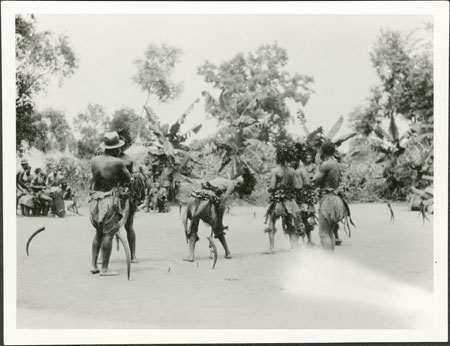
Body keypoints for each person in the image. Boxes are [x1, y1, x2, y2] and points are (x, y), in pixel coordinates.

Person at [183, 166, 256, 262]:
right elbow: (221, 204)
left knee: (193, 226)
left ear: (239, 185)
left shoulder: (229, 184)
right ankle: (227, 252)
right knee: (217, 228)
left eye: (239, 182)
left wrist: (218, 220)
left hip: (197, 199)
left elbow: (220, 202)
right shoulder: (230, 184)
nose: (236, 182)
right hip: (203, 201)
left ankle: (191, 255)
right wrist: (219, 221)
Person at [89, 131, 131, 276]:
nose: (120, 150)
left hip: (95, 200)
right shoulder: (117, 162)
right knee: (108, 234)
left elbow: (95, 179)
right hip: (108, 200)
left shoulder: (94, 160)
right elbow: (128, 179)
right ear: (114, 148)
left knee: (98, 233)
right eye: (118, 147)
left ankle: (94, 265)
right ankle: (105, 269)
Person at [311, 141, 354, 252]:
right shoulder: (336, 163)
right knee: (330, 232)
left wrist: (317, 165)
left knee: (323, 233)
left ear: (322, 151)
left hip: (328, 200)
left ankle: (327, 262)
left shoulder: (326, 164)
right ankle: (330, 260)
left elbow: (314, 181)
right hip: (335, 199)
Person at [264, 145, 304, 253]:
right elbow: (297, 187)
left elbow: (272, 187)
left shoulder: (275, 170)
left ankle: (272, 247)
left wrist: (270, 189)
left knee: (272, 221)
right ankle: (293, 246)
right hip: (290, 202)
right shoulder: (292, 171)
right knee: (289, 222)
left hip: (279, 202)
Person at [117, 129, 139, 264]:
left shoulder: (128, 160)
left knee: (129, 225)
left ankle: (133, 255)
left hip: (126, 195)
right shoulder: (107, 158)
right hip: (110, 194)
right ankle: (102, 257)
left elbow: (133, 178)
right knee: (104, 227)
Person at [293, 143, 318, 247]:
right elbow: (307, 183)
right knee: (302, 218)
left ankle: (304, 241)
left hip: (300, 196)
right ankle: (305, 241)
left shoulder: (297, 169)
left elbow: (307, 183)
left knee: (301, 218)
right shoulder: (300, 169)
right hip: (301, 196)